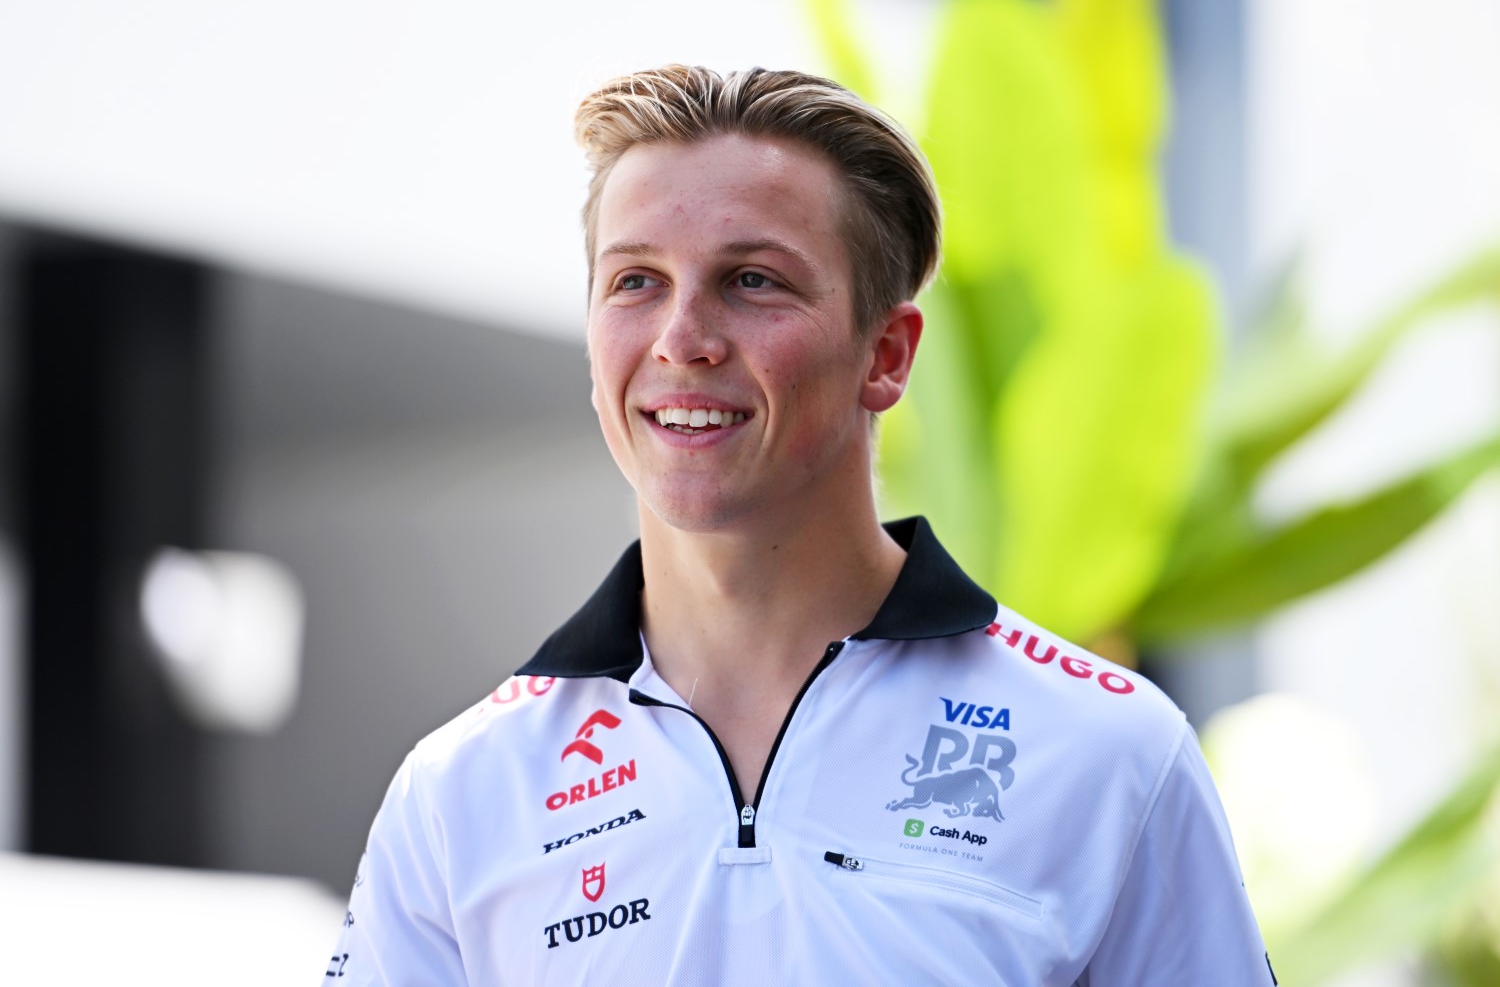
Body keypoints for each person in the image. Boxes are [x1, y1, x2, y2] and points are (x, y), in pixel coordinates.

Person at [326, 65, 1273, 985]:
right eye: (635, 282)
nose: (681, 338)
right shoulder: (461, 791)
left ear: (887, 355)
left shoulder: (1111, 753)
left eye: (751, 281)